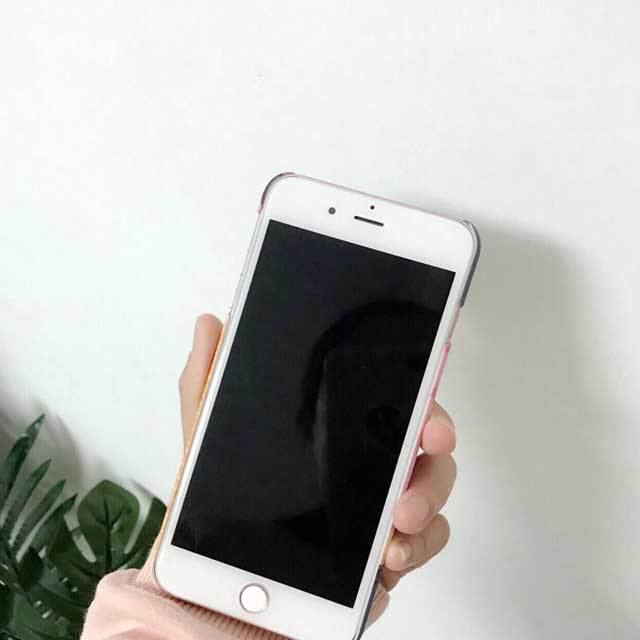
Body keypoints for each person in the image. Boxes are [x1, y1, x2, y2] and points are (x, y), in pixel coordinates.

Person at [81, 314, 457, 639]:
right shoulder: (221, 537)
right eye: (355, 384)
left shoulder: (335, 584)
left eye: (398, 396)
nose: (377, 418)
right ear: (310, 419)